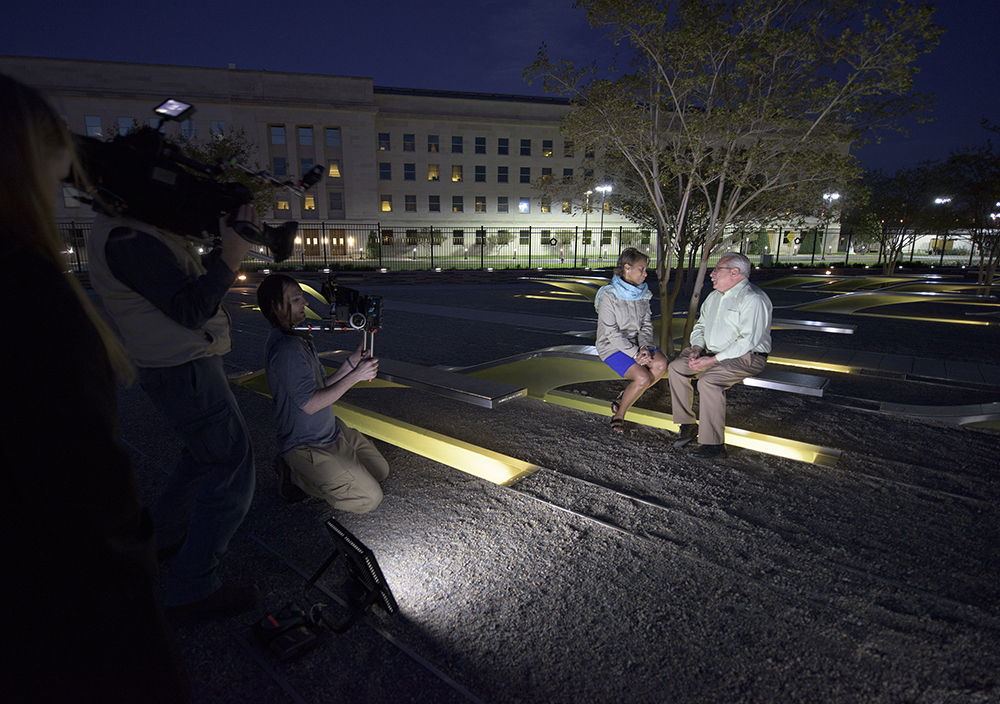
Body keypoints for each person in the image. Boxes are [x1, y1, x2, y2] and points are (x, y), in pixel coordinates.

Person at [0, 73, 190, 702]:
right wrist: (131, 556)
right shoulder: (29, 296)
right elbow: (82, 478)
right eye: (57, 173)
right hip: (67, 604)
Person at [86, 163, 260, 621]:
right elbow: (189, 308)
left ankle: (159, 541)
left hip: (172, 364)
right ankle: (192, 585)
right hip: (184, 368)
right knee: (231, 465)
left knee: (200, 456)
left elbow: (178, 287)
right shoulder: (127, 237)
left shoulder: (123, 231)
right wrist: (232, 256)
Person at [257, 274, 389, 512]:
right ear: (276, 307)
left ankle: (334, 470)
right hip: (307, 445)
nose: (305, 302)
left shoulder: (297, 337)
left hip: (331, 432)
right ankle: (295, 473)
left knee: (380, 471)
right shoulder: (286, 349)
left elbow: (321, 386)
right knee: (369, 498)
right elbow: (310, 404)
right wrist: (356, 376)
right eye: (296, 299)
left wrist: (352, 363)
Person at [667, 252, 773, 459]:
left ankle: (713, 445)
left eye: (717, 269)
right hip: (710, 352)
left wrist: (712, 360)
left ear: (735, 272)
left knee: (709, 381)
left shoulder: (753, 298)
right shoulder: (714, 296)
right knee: (676, 368)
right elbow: (700, 326)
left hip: (746, 356)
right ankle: (687, 424)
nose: (712, 274)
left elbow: (747, 341)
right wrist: (696, 349)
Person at [595, 248, 668, 434]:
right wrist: (635, 353)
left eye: (645, 270)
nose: (645, 274)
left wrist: (643, 347)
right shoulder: (608, 295)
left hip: (638, 344)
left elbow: (646, 325)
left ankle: (623, 396)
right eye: (641, 269)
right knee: (643, 377)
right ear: (627, 268)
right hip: (611, 346)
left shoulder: (643, 294)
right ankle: (620, 414)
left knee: (661, 364)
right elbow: (611, 333)